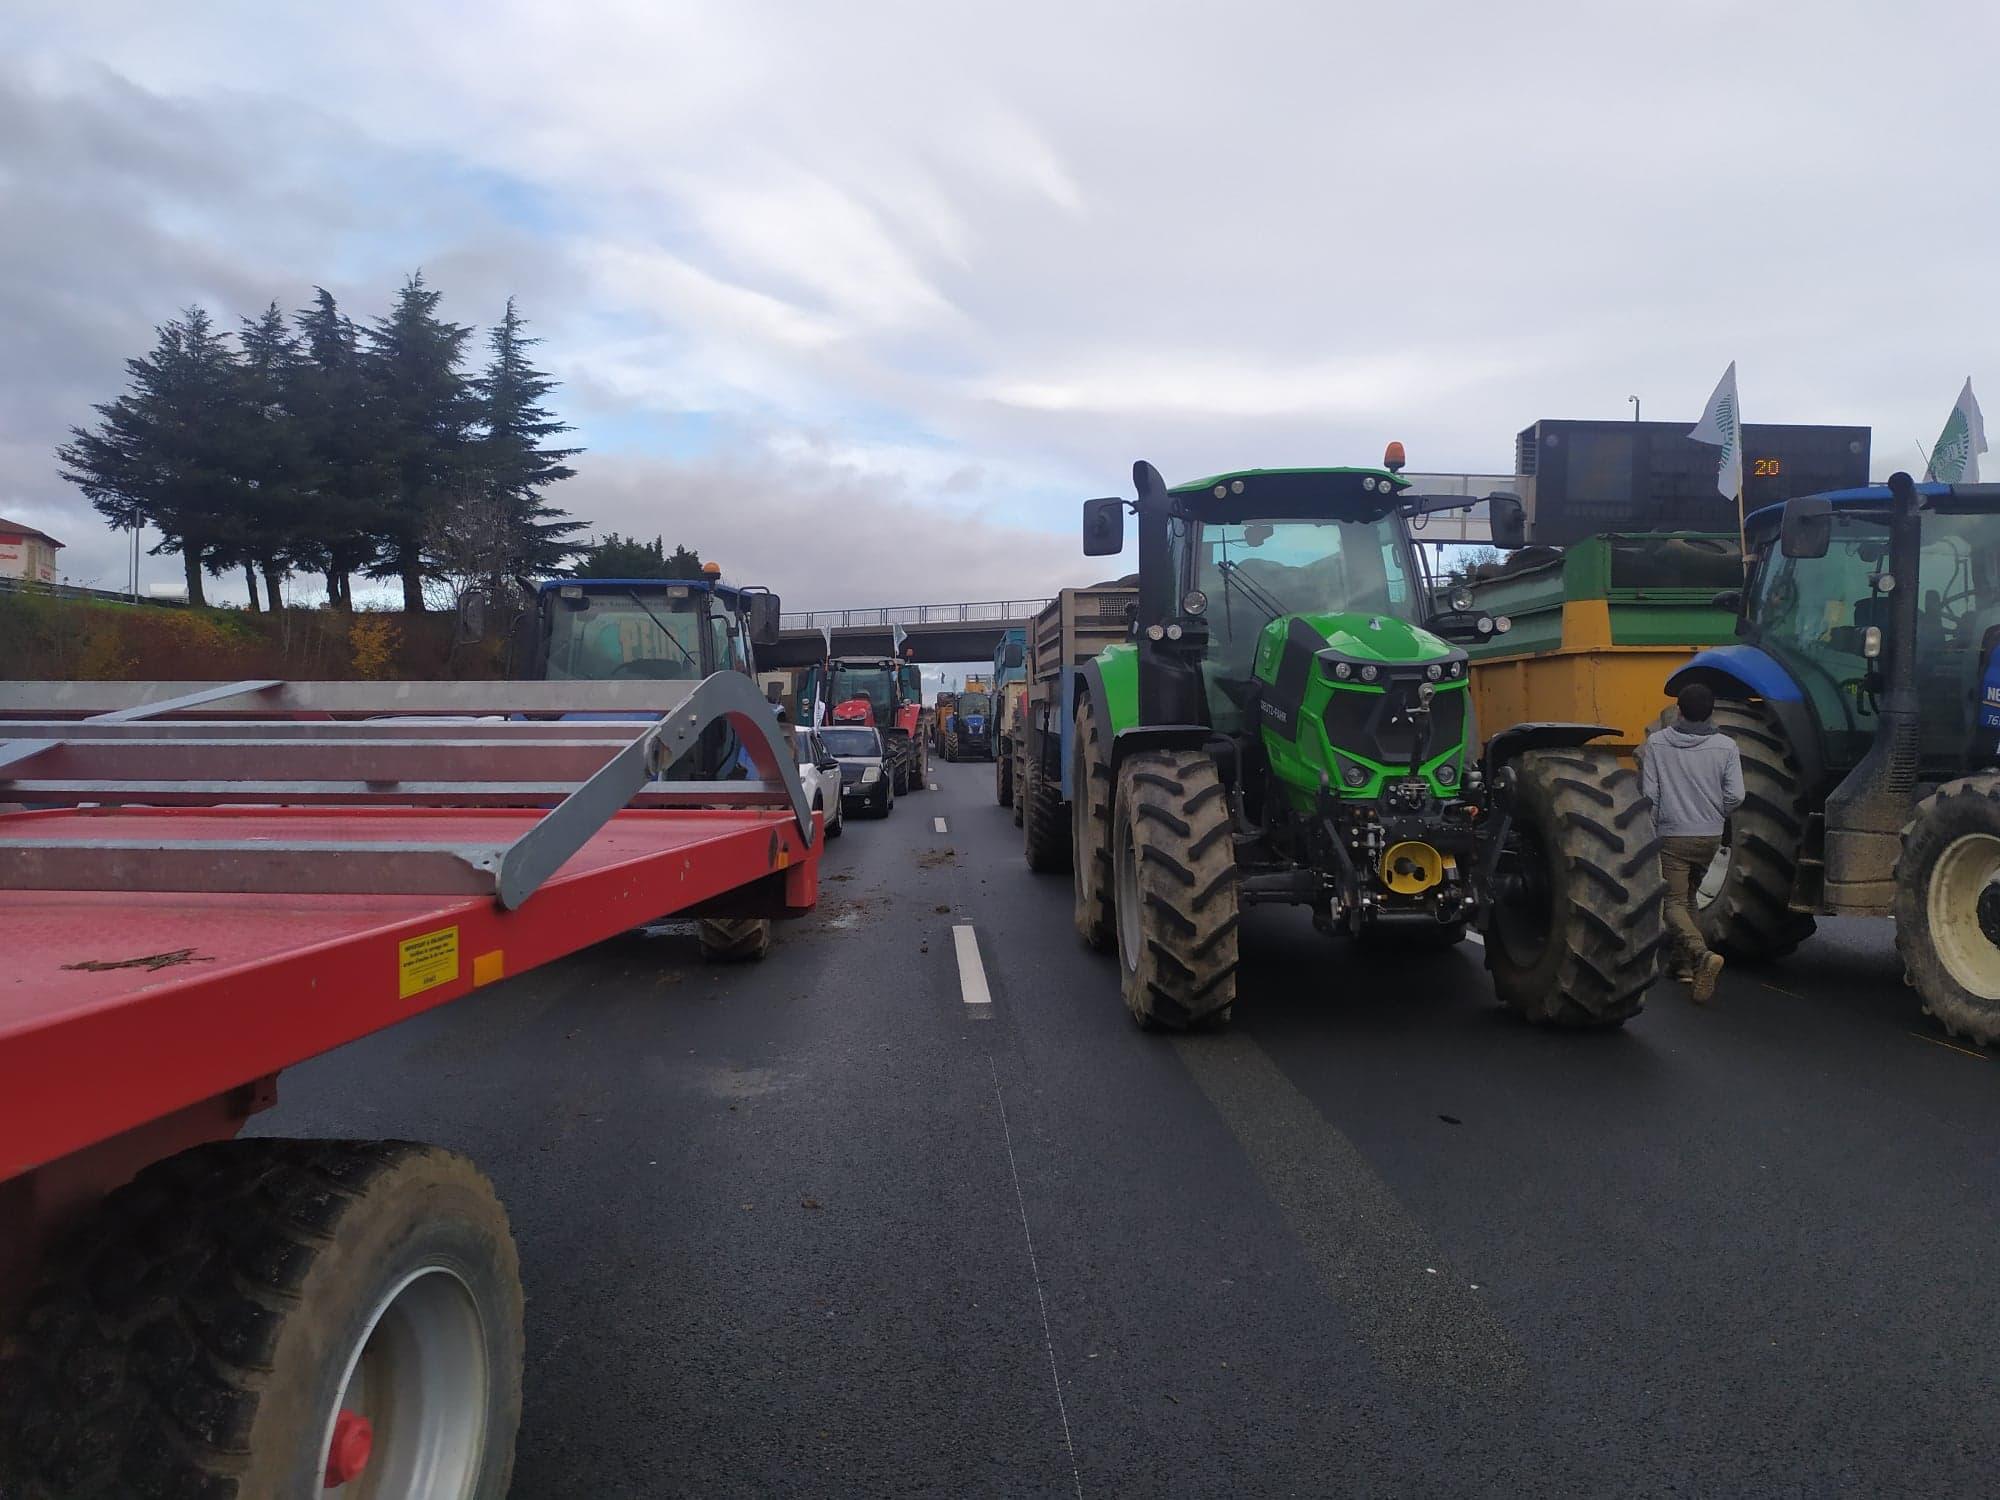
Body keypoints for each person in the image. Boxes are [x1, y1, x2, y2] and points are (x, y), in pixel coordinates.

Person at [1640, 682, 1744, 1003]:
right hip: (1709, 836)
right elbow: (1736, 795)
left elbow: (1650, 795)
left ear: (1679, 711)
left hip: (1672, 835)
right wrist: (1716, 813)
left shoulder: (1657, 744)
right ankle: (1682, 966)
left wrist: (1651, 831)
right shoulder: (1726, 746)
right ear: (1711, 712)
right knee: (1689, 899)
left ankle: (1700, 956)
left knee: (1672, 904)